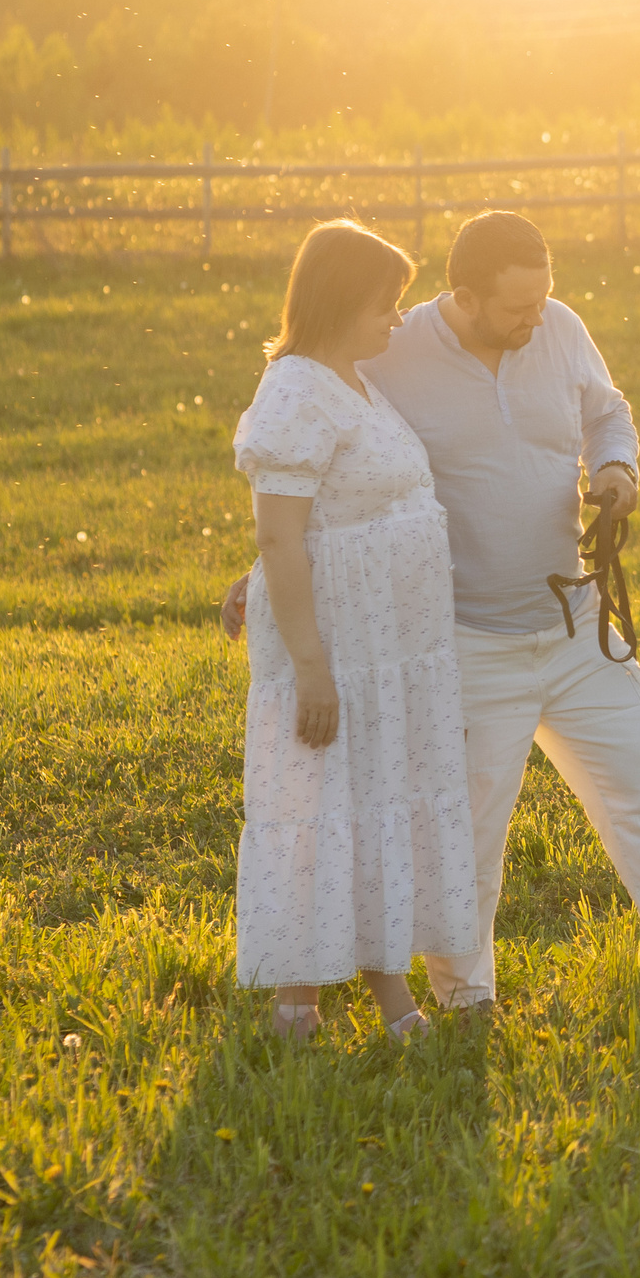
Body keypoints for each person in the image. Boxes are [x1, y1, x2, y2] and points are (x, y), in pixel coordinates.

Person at [225, 210, 640, 1010]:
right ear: (462, 294)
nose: (538, 316)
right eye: (518, 305)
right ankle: (465, 997)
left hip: (574, 619)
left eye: (544, 299)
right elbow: (311, 471)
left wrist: (617, 466)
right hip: (465, 640)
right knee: (465, 830)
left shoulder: (559, 329)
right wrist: (261, 571)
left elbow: (608, 410)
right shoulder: (391, 353)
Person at [231, 222, 480, 1043]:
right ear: (343, 300)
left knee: (373, 806)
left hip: (388, 651)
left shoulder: (350, 381)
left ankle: (388, 997)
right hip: (337, 651)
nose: (398, 321)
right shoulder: (297, 387)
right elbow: (280, 534)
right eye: (387, 304)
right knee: (317, 808)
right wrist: (311, 668)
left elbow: (318, 516)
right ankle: (297, 1006)